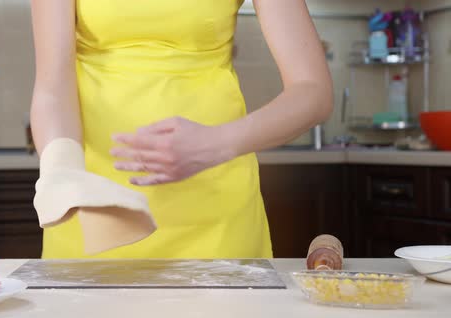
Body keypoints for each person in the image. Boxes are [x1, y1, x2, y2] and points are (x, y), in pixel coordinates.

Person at [29, 0, 333, 259]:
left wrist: (217, 144)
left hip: (215, 212)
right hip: (96, 211)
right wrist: (61, 171)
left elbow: (313, 91)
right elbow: (52, 88)